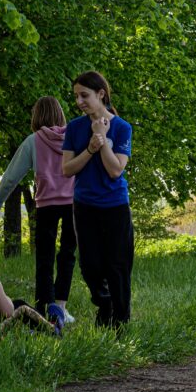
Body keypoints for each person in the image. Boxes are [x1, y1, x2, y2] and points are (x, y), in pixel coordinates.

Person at [0, 97, 76, 321]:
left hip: (47, 205)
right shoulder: (75, 137)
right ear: (60, 114)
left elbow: (11, 177)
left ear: (36, 116)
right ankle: (61, 307)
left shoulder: (33, 141)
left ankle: (45, 307)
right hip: (75, 204)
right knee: (67, 255)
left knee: (44, 258)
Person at [61, 71, 134, 328]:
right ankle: (105, 305)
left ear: (100, 94)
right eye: (76, 96)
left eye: (85, 95)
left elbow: (115, 170)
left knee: (117, 266)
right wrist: (90, 148)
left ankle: (120, 323)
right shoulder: (74, 127)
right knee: (90, 266)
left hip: (115, 207)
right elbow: (67, 169)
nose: (80, 101)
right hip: (85, 206)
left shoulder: (123, 128)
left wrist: (102, 140)